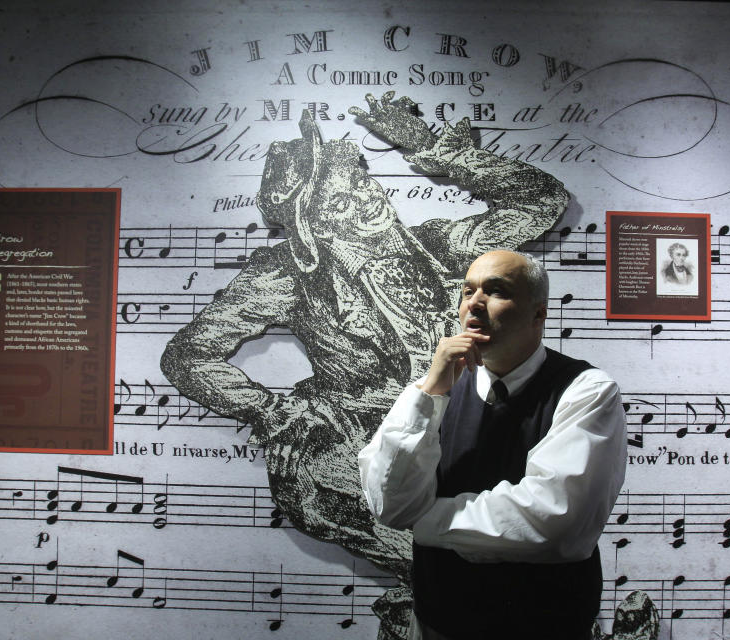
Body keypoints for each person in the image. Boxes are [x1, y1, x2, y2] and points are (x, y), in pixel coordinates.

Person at [160, 92, 570, 640]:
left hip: (465, 441)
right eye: (340, 202)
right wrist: (272, 409)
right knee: (461, 563)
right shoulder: (288, 276)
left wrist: (427, 146)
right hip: (355, 453)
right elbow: (188, 355)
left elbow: (540, 201)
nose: (366, 198)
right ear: (314, 228)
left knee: (504, 555)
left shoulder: (442, 248)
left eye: (360, 180)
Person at [359, 250, 628, 640]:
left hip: (547, 628)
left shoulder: (586, 390)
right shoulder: (433, 392)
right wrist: (429, 392)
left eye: (496, 290)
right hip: (439, 622)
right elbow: (390, 502)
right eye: (467, 291)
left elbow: (554, 520)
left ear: (539, 313)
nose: (475, 303)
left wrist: (426, 520)